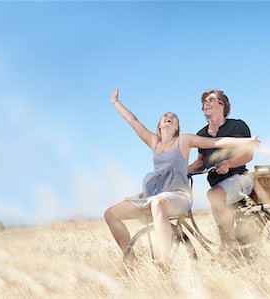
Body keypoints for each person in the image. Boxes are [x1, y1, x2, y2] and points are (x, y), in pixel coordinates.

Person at [104, 89, 259, 265]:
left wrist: (246, 141)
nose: (169, 116)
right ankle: (131, 261)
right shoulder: (154, 141)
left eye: (173, 117)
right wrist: (115, 102)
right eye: (165, 116)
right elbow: (133, 121)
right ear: (159, 125)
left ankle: (165, 260)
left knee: (162, 202)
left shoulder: (184, 140)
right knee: (110, 214)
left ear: (177, 127)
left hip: (180, 194)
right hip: (154, 193)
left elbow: (217, 142)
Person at [188, 89, 254, 249]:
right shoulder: (201, 134)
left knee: (214, 194)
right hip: (219, 185)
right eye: (204, 101)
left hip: (241, 178)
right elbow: (200, 162)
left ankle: (230, 245)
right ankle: (230, 244)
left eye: (210, 100)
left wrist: (228, 164)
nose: (206, 103)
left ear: (222, 104)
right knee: (215, 193)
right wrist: (181, 170)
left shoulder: (238, 126)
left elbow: (248, 156)